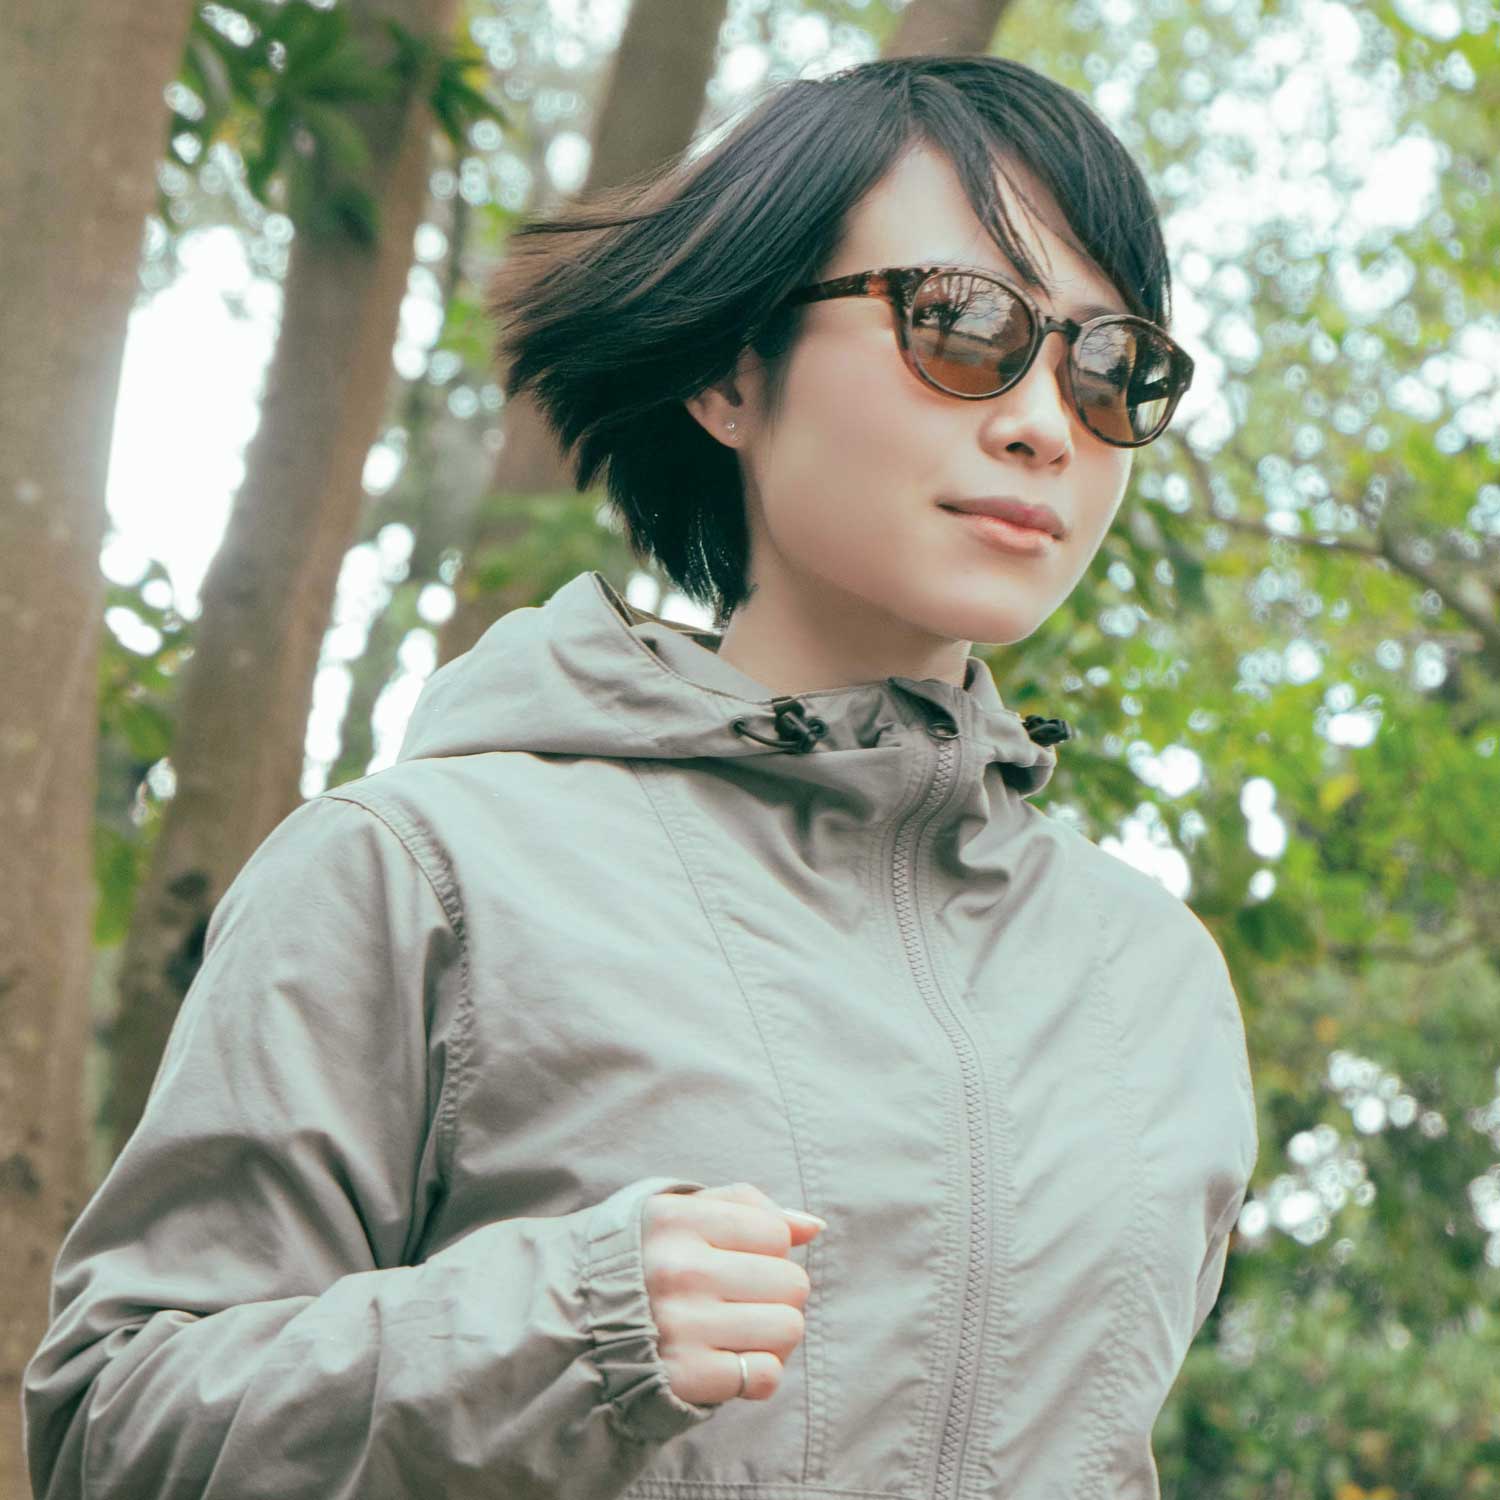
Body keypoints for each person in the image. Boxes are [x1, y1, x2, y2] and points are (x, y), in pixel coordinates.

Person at [24, 51, 1257, 1500]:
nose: (1045, 423)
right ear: (733, 374)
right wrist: (564, 1328)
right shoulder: (419, 869)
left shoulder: (1153, 988)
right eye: (962, 324)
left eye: (1111, 367)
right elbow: (115, 1432)